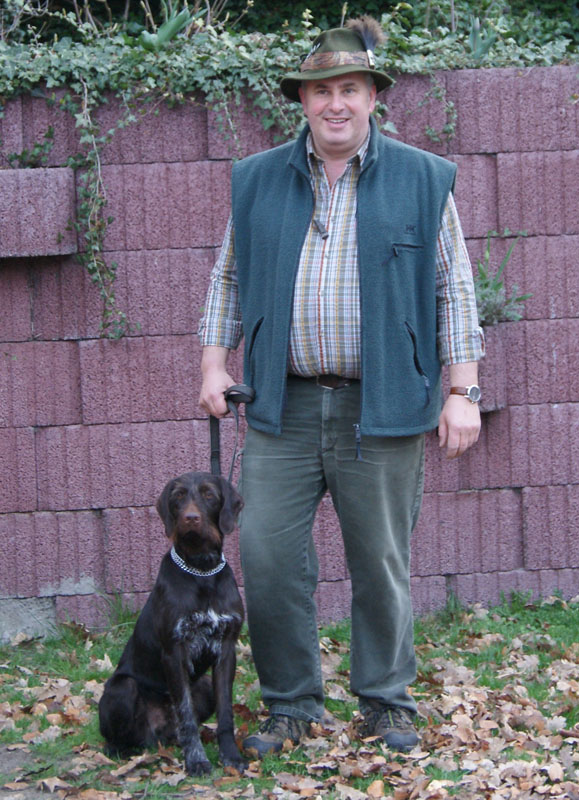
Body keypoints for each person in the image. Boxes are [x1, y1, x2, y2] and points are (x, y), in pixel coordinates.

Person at [199, 16, 484, 757]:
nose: (335, 103)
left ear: (372, 98)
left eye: (349, 89)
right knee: (267, 557)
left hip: (381, 405)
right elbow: (228, 279)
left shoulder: (423, 179)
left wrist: (462, 391)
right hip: (281, 405)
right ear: (302, 100)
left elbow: (454, 289)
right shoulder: (257, 179)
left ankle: (385, 702)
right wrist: (213, 365)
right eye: (321, 90)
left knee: (381, 563)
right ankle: (291, 705)